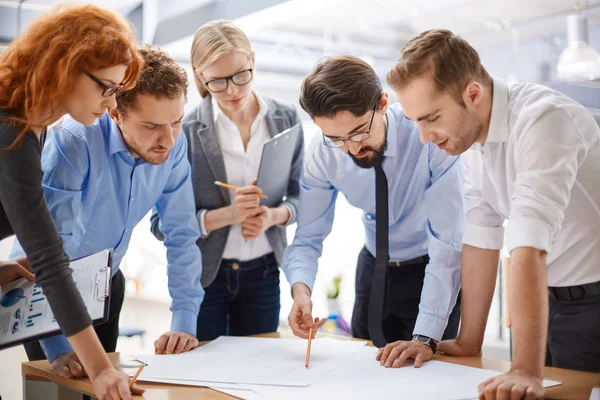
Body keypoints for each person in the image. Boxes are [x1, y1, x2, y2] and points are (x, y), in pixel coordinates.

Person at [387, 28, 600, 399]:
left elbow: (528, 246)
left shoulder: (542, 119)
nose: (424, 137)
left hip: (592, 305)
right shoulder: (470, 139)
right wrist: (469, 341)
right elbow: (481, 237)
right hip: (545, 300)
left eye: (431, 118)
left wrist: (524, 370)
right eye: (416, 121)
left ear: (473, 93)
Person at [11, 45, 204, 376]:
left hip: (106, 282)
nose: (168, 140)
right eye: (151, 126)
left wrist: (184, 320)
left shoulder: (173, 142)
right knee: (63, 393)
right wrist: (57, 348)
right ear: (115, 111)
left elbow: (182, 232)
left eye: (176, 122)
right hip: (43, 287)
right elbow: (49, 251)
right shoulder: (74, 141)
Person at [0, 5, 144, 400]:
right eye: (107, 87)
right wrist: (101, 370)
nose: (113, 105)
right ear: (65, 66)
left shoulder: (32, 127)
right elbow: (48, 257)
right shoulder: (10, 127)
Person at [284, 55, 463, 368]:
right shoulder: (322, 153)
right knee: (364, 369)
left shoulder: (427, 136)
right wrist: (301, 291)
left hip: (431, 270)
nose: (352, 148)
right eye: (336, 138)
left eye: (358, 131)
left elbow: (448, 242)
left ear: (382, 103)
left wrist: (425, 337)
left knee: (425, 375)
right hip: (372, 271)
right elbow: (308, 236)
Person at [151, 20, 304, 340]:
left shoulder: (285, 118)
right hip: (206, 278)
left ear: (252, 59)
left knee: (255, 376)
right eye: (217, 81)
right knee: (202, 379)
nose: (232, 90)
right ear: (199, 75)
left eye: (240, 75)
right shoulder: (184, 131)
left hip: (264, 274)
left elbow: (302, 197)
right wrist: (227, 216)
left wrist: (273, 216)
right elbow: (160, 225)